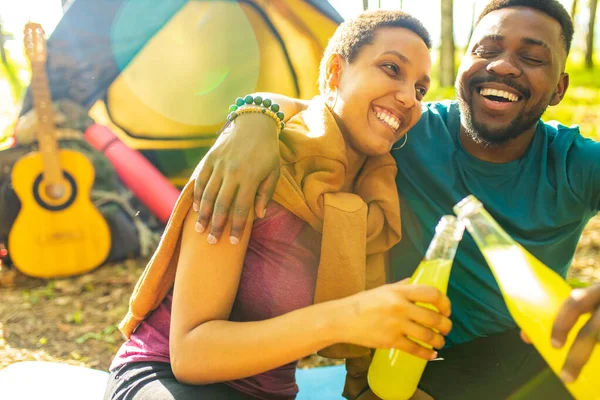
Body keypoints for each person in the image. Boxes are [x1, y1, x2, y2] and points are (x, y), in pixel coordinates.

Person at [190, 0, 600, 398]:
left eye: (532, 58)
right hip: (411, 363)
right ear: (461, 67)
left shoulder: (574, 162)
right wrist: (256, 117)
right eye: (486, 49)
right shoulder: (408, 131)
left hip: (526, 352)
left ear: (560, 88)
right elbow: (334, 111)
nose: (503, 65)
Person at [104, 10, 453, 400]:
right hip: (166, 376)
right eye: (391, 69)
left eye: (421, 89)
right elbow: (191, 354)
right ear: (336, 73)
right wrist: (347, 318)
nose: (408, 97)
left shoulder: (377, 194)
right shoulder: (254, 162)